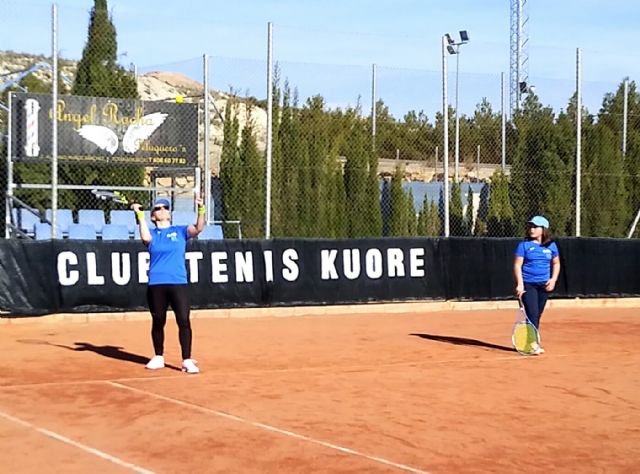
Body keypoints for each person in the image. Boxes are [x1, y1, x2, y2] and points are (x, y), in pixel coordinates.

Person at [132, 196, 205, 373]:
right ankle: (158, 357)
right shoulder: (152, 234)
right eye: (158, 208)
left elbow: (198, 228)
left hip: (178, 282)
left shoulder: (180, 231)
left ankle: (186, 360)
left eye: (165, 207)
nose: (163, 209)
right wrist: (139, 216)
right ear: (153, 216)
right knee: (158, 321)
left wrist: (201, 208)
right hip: (157, 283)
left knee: (183, 320)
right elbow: (145, 238)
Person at [513, 215, 561, 355]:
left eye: (535, 227)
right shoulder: (524, 245)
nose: (532, 229)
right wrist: (520, 284)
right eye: (530, 227)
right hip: (529, 285)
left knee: (537, 315)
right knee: (533, 313)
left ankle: (530, 341)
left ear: (543, 229)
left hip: (544, 286)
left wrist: (553, 280)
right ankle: (533, 344)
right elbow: (517, 265)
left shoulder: (551, 246)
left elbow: (556, 263)